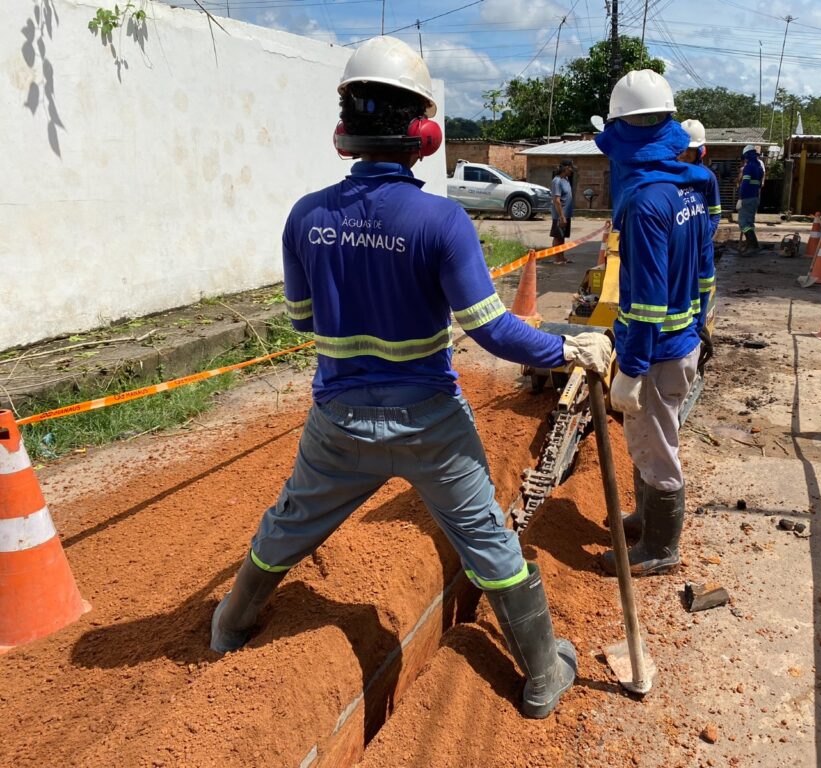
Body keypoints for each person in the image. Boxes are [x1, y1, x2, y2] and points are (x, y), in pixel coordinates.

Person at [208, 36, 612, 721]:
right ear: (423, 133)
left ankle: (228, 626)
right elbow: (493, 331)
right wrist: (571, 349)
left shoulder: (305, 218)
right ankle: (543, 672)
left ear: (346, 130)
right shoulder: (442, 221)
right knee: (487, 541)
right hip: (431, 427)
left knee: (287, 526)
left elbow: (305, 322)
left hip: (337, 425)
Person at [594, 70, 714, 576]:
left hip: (657, 352)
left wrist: (631, 369)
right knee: (649, 442)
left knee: (656, 448)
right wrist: (700, 327)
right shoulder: (691, 187)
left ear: (624, 135)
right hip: (680, 341)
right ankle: (645, 519)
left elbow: (644, 304)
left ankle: (661, 547)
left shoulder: (645, 202)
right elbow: (705, 272)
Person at [679, 119, 722, 237]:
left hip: (699, 239)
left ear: (699, 151)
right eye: (683, 148)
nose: (685, 154)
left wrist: (707, 235)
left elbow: (715, 212)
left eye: (691, 149)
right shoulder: (667, 173)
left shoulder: (708, 177)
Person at [737, 144, 764, 253]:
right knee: (749, 222)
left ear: (747, 156)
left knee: (743, 223)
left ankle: (753, 246)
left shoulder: (749, 167)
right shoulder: (759, 167)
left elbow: (745, 183)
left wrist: (740, 197)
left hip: (747, 198)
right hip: (755, 198)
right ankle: (751, 245)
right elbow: (758, 184)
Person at [550, 158, 575, 263]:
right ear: (566, 168)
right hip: (560, 215)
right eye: (571, 168)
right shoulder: (557, 181)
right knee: (558, 237)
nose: (572, 170)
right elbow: (557, 200)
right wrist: (561, 217)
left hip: (566, 214)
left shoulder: (566, 180)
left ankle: (562, 257)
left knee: (562, 236)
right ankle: (557, 259)